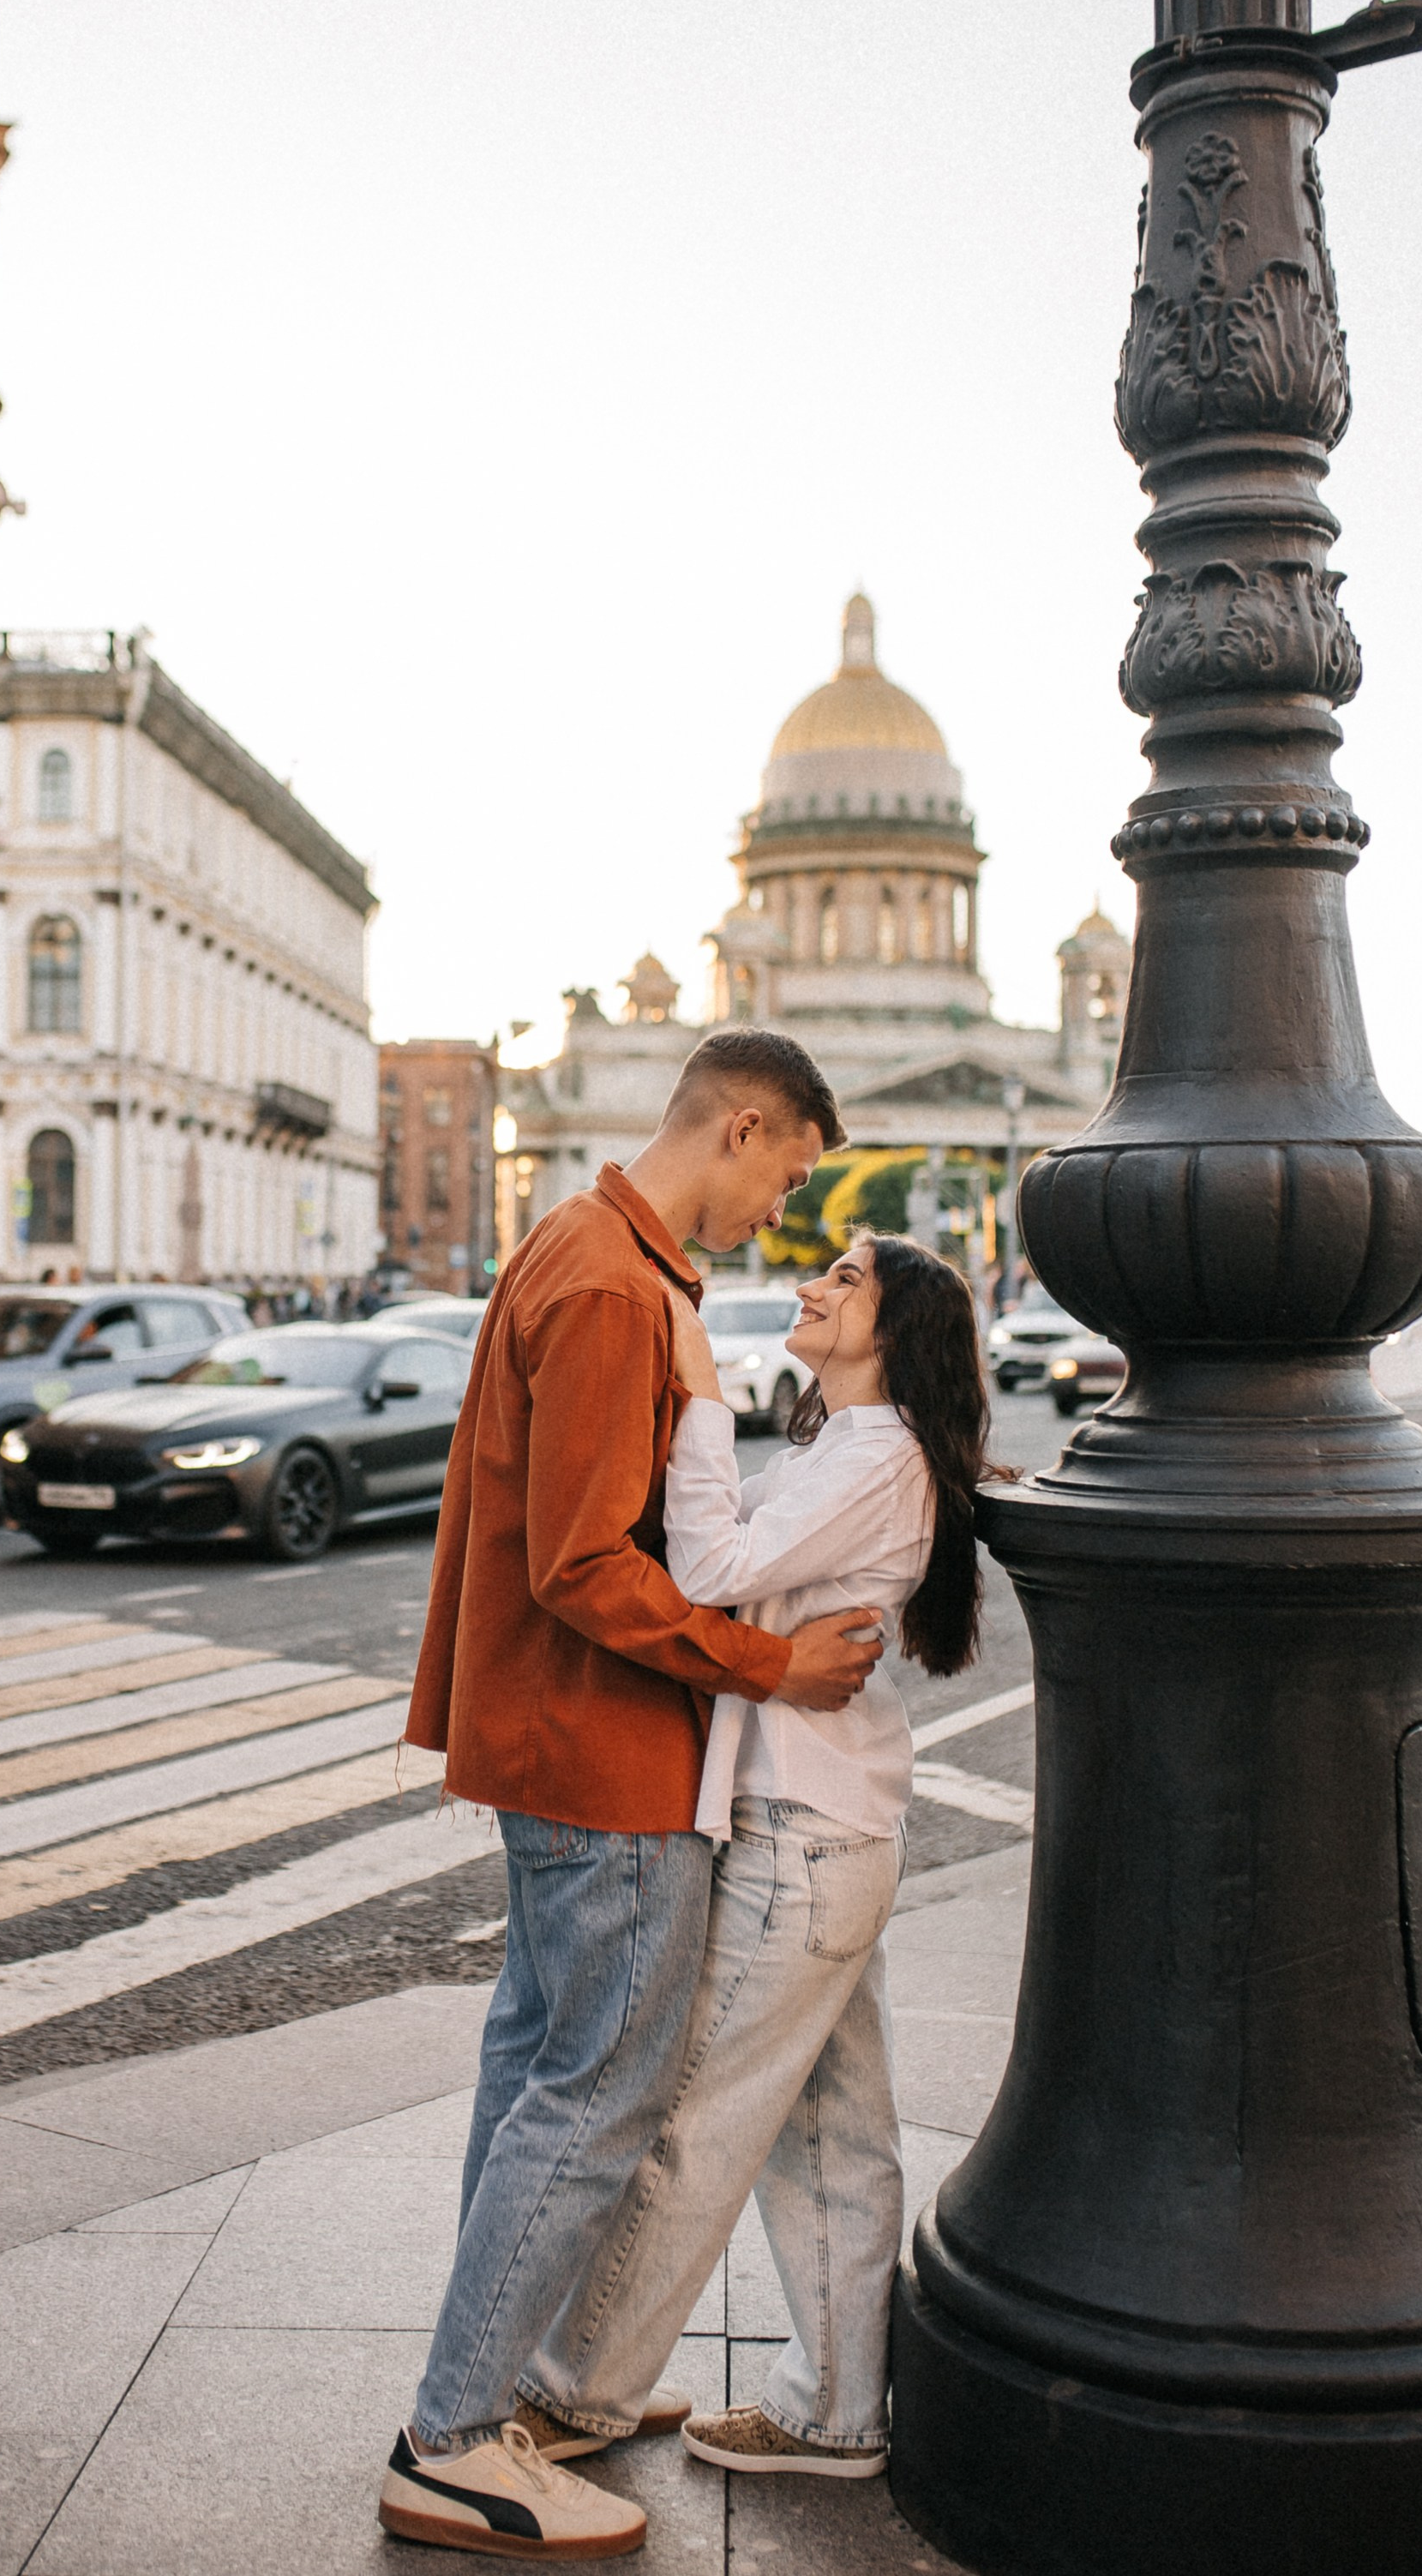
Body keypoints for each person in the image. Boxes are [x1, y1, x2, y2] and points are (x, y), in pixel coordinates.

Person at [380, 1031, 886, 2563]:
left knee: (536, 2078)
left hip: (556, 1738)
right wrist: (768, 1665)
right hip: (605, 1749)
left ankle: (498, 2390)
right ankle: (455, 2443)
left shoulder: (586, 1245)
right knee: (598, 2095)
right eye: (788, 1174)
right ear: (742, 1125)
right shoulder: (612, 1284)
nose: (784, 1212)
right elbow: (584, 1563)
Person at [513, 1231, 991, 2483]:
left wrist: (704, 1404)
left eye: (845, 1278)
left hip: (801, 1839)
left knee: (693, 2122)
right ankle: (835, 2411)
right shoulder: (852, 1446)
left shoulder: (877, 1455)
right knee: (832, 2133)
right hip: (830, 1828)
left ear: (896, 1331)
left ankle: (576, 2391)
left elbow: (711, 1568)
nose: (809, 1285)